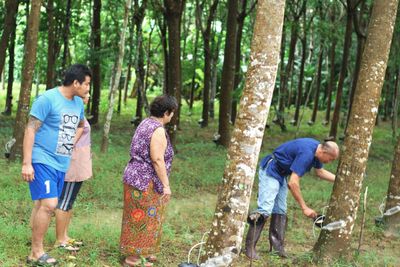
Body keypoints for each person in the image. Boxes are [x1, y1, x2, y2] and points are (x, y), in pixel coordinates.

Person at [23, 64, 91, 266]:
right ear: (76, 82)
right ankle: (36, 253)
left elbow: (80, 125)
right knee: (50, 205)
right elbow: (30, 129)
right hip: (42, 158)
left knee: (42, 204)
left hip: (61, 163)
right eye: (86, 84)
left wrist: (71, 144)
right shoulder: (47, 99)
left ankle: (35, 243)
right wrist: (27, 163)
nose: (88, 88)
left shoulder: (78, 103)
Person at [244, 138, 339, 259]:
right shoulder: (307, 153)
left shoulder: (317, 151)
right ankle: (249, 248)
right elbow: (293, 183)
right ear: (324, 152)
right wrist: (304, 208)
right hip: (272, 169)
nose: (329, 162)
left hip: (282, 174)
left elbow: (320, 172)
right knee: (265, 208)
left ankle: (277, 248)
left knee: (280, 210)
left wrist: (340, 180)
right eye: (331, 159)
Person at [120, 95, 178, 267]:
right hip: (145, 181)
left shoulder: (146, 123)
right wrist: (166, 185)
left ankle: (146, 251)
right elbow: (157, 159)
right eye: (172, 113)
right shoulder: (158, 130)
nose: (172, 116)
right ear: (166, 113)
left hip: (134, 176)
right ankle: (133, 259)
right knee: (142, 218)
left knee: (147, 216)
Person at [54, 93, 92, 251]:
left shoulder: (78, 111)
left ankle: (65, 236)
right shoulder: (71, 113)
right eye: (85, 92)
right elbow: (66, 141)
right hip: (73, 164)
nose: (88, 95)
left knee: (69, 202)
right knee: (64, 202)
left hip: (79, 164)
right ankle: (60, 240)